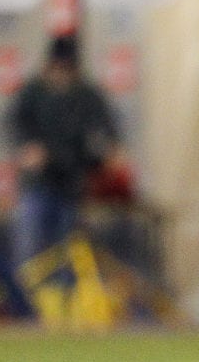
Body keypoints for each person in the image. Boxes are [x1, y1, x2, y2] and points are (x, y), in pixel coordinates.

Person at [7, 34, 125, 269]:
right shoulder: (33, 92)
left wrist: (111, 150)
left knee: (68, 252)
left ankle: (63, 300)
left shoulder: (85, 94)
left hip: (71, 184)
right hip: (37, 183)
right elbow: (14, 125)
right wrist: (26, 148)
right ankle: (30, 301)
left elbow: (107, 126)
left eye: (67, 69)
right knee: (30, 251)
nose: (61, 75)